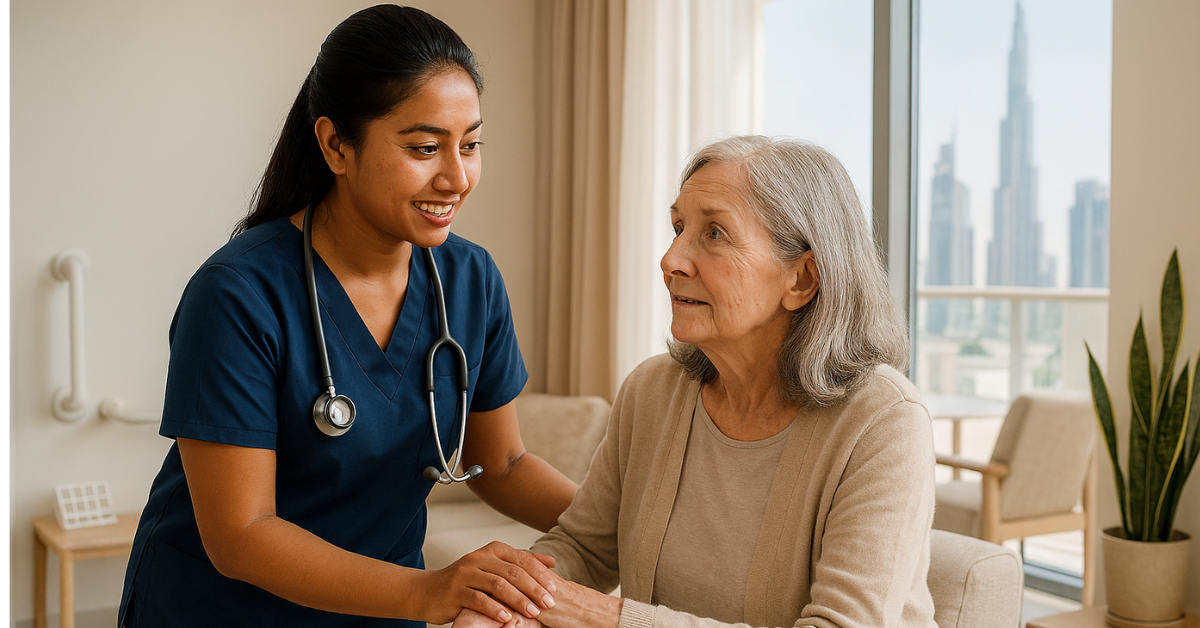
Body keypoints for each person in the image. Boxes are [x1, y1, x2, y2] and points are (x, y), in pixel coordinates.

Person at [118, 6, 574, 627]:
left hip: (377, 608)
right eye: (423, 148)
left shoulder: (470, 280)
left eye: (469, 145)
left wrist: (620, 526)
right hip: (222, 611)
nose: (457, 177)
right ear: (336, 144)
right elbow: (241, 534)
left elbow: (502, 464)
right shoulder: (237, 294)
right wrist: (430, 592)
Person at [457, 136, 937, 628]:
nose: (671, 261)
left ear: (801, 279)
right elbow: (585, 547)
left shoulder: (884, 422)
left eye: (715, 234)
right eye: (679, 228)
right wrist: (509, 602)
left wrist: (611, 616)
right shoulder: (652, 391)